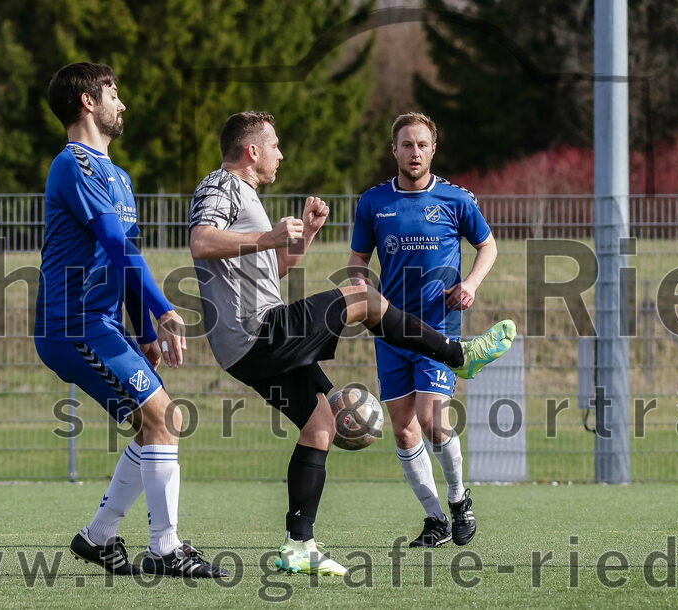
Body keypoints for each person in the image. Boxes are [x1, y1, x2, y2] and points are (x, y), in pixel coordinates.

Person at [189, 111, 516, 577]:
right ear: (252, 151)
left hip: (248, 342)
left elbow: (272, 271)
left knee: (320, 422)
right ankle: (459, 355)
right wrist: (269, 235)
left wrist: (302, 237)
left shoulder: (247, 198)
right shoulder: (220, 186)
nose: (281, 154)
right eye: (276, 145)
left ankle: (299, 545)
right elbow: (200, 241)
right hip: (255, 330)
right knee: (362, 296)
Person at [34, 62, 227, 578]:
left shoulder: (118, 176)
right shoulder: (74, 164)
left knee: (156, 424)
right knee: (165, 417)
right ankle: (165, 548)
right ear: (86, 103)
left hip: (103, 324)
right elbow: (116, 245)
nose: (122, 104)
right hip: (72, 325)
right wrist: (164, 310)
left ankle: (98, 537)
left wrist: (145, 332)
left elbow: (125, 258)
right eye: (113, 94)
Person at [347, 112, 496, 547]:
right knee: (403, 429)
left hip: (437, 329)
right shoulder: (373, 201)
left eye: (422, 145)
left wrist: (470, 283)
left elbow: (487, 246)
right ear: (394, 150)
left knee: (433, 421)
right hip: (390, 330)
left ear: (434, 149)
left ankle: (458, 499)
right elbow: (358, 260)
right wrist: (361, 283)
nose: (415, 153)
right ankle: (435, 520)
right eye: (407, 145)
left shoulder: (456, 199)